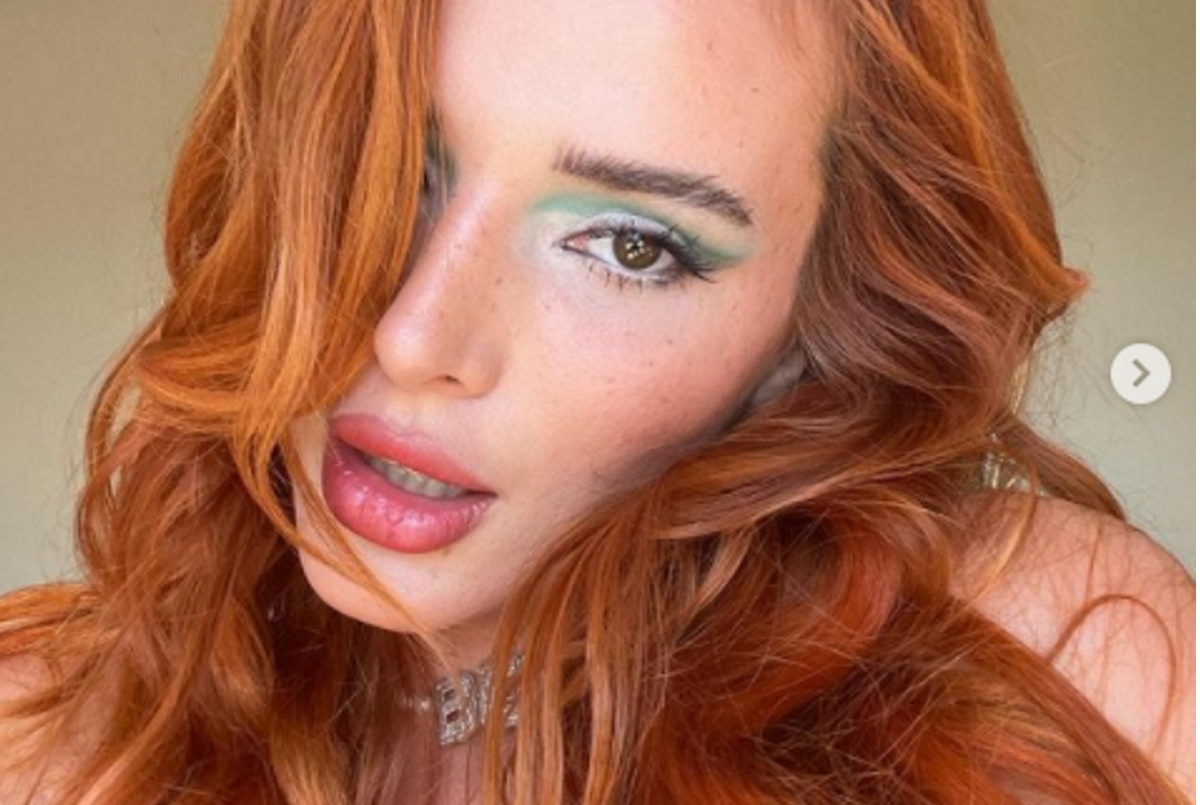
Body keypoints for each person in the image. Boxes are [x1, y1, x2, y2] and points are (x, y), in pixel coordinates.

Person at [0, 0, 1192, 802]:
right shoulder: (42, 726)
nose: (414, 337)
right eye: (389, 168)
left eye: (629, 245)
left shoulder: (1042, 659)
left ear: (806, 340)